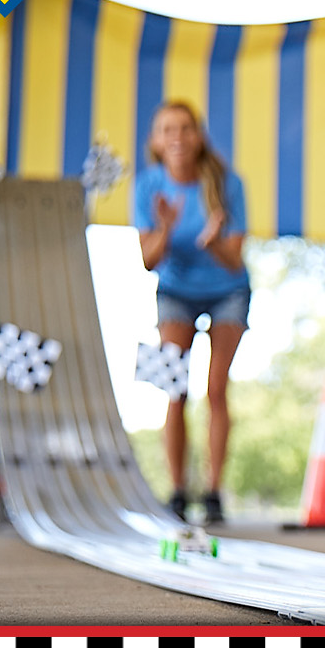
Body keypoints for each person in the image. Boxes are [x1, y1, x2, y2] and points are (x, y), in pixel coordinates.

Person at [133, 101, 250, 527]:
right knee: (174, 388)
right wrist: (165, 229)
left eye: (184, 128)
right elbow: (148, 259)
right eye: (167, 129)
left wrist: (212, 241)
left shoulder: (226, 183)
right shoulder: (148, 186)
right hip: (176, 292)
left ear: (197, 136)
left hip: (227, 292)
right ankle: (179, 490)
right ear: (156, 140)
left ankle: (214, 491)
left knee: (216, 389)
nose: (177, 137)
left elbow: (235, 260)